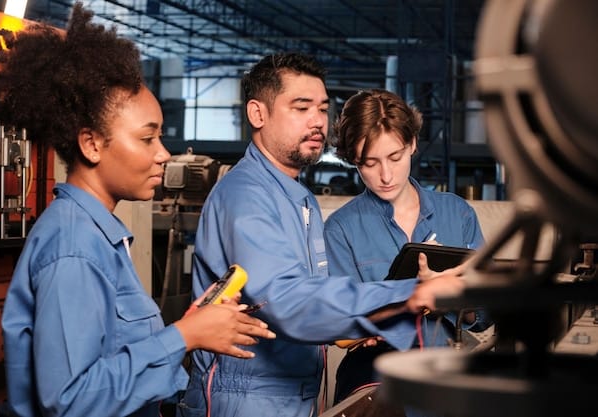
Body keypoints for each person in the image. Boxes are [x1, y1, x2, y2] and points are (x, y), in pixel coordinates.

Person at [0, 4, 275, 417]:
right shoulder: (73, 247)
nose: (164, 154)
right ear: (91, 144)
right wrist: (183, 336)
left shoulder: (97, 234)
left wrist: (194, 326)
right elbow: (70, 400)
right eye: (147, 139)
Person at [179, 52, 468, 417]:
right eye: (301, 108)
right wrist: (410, 293)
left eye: (321, 108)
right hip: (246, 397)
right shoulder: (247, 195)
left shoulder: (298, 198)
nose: (317, 121)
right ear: (258, 114)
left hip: (294, 392)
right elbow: (290, 302)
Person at [324, 88, 489, 410]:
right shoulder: (341, 229)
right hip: (372, 386)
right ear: (352, 161)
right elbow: (338, 325)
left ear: (412, 144)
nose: (385, 176)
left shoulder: (458, 214)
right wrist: (408, 297)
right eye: (369, 163)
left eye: (395, 157)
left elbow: (483, 315)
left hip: (446, 383)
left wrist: (452, 298)